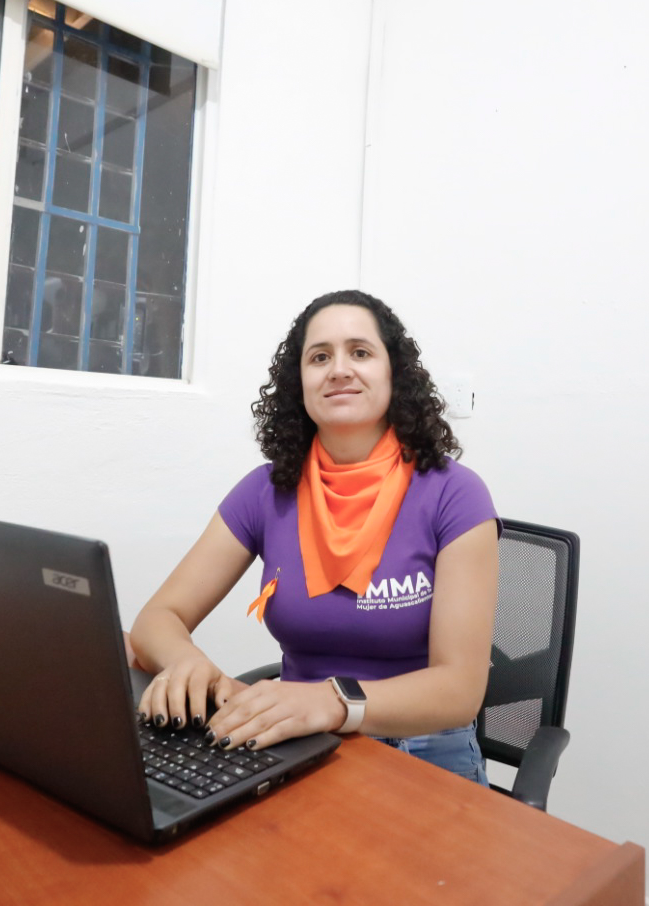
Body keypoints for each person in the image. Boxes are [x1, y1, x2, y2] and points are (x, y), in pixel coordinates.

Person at [130, 289, 500, 784]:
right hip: (299, 745)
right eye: (319, 357)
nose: (339, 370)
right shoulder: (266, 490)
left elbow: (459, 690)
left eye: (360, 353)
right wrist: (189, 665)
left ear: (395, 374)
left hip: (422, 751)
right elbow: (158, 618)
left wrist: (333, 701)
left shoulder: (455, 494)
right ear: (298, 383)